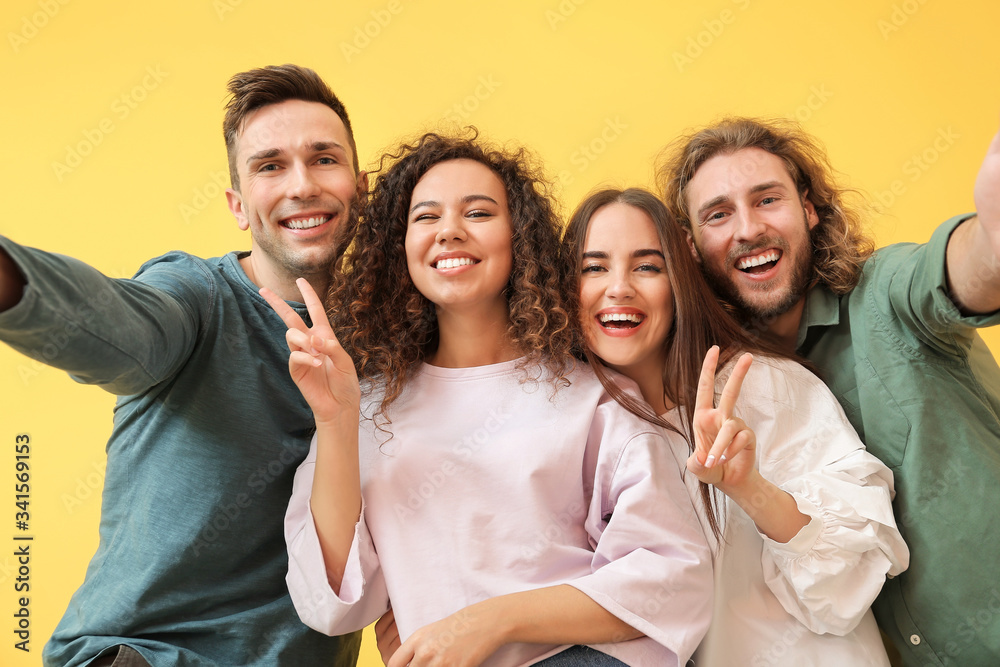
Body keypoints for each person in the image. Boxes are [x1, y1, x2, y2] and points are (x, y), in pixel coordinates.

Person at [264, 133, 714, 667]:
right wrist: (337, 423)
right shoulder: (362, 407)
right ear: (399, 248)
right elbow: (330, 603)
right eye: (426, 217)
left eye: (477, 213)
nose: (450, 231)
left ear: (518, 237)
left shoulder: (593, 397)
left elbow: (673, 576)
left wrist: (490, 622)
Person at [0, 64, 366, 666]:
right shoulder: (196, 297)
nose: (302, 185)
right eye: (270, 166)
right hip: (145, 655)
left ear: (361, 186)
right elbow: (117, 325)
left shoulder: (397, 337)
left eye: (324, 159)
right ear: (239, 206)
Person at [658, 117, 1000, 665]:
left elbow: (956, 275)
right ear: (691, 247)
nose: (748, 229)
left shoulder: (885, 293)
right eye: (718, 214)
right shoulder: (717, 386)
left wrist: (991, 240)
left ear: (809, 208)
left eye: (767, 199)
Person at [563, 187, 909, 665]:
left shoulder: (763, 385)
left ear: (679, 282)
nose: (619, 288)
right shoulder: (572, 425)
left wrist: (750, 489)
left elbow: (845, 589)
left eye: (647, 267)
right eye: (594, 268)